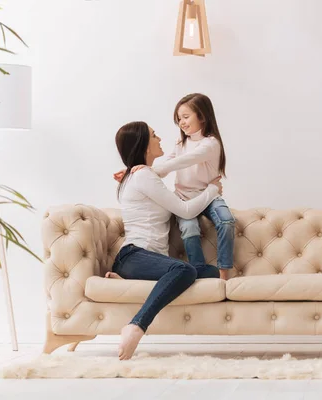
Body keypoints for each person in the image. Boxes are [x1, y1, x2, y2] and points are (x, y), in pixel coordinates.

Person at [110, 120, 222, 360]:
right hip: (133, 255)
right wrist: (212, 190)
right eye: (153, 135)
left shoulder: (143, 175)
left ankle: (130, 278)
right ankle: (136, 326)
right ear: (143, 144)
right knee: (184, 270)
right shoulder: (143, 177)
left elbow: (174, 195)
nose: (159, 138)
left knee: (210, 272)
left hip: (147, 260)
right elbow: (185, 210)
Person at [115, 93, 235, 280]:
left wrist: (144, 170)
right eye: (179, 119)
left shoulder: (210, 144)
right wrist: (134, 171)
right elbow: (168, 165)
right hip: (184, 197)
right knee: (189, 228)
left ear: (202, 116)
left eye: (186, 117)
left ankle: (224, 271)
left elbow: (183, 161)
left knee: (226, 221)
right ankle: (197, 268)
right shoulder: (181, 143)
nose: (181, 123)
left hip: (209, 196)